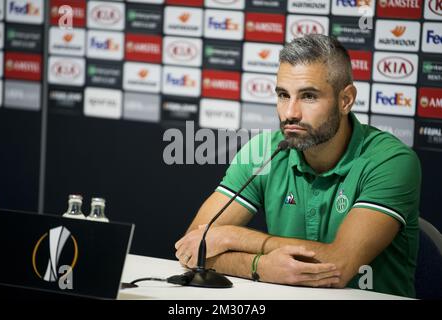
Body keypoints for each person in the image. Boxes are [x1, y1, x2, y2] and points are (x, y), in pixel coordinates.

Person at [175, 34, 421, 298]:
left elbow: (338, 267)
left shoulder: (391, 161)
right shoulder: (263, 152)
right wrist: (260, 266)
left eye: (308, 96)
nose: (290, 112)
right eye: (283, 95)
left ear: (345, 100)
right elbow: (193, 246)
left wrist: (234, 237)